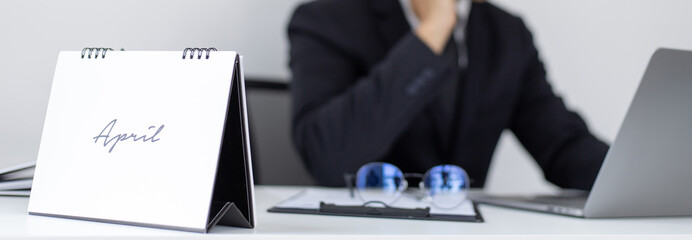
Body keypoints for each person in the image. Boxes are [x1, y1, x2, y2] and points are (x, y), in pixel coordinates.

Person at [287, 0, 609, 190]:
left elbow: (561, 144)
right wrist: (432, 33)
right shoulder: (326, 19)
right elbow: (327, 156)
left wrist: (640, 178)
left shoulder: (507, 33)